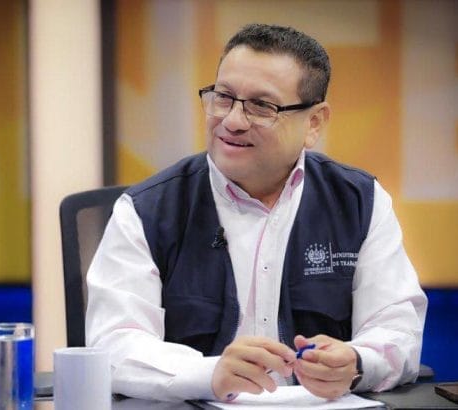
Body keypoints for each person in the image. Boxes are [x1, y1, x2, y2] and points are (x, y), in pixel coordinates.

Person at [85, 23, 427, 402]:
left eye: (262, 106)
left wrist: (357, 362)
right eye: (223, 97)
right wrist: (210, 373)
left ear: (313, 122)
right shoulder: (146, 210)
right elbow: (114, 344)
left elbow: (397, 330)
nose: (232, 121)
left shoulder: (360, 201)